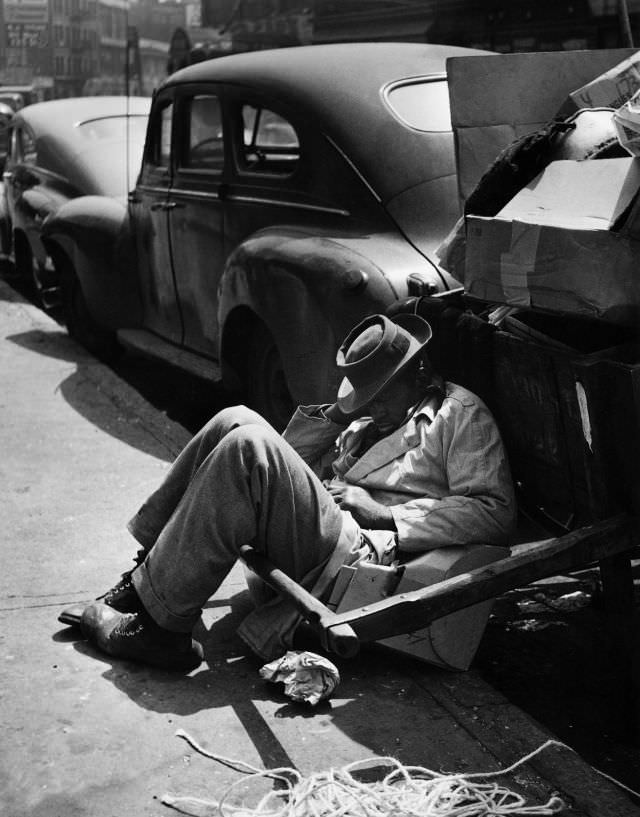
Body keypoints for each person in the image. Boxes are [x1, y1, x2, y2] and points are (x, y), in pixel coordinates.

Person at [59, 313, 516, 671]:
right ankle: (143, 584)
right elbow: (289, 457)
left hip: (362, 548)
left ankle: (159, 629)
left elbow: (493, 511)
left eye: (380, 394)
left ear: (419, 371)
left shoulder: (461, 416)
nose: (371, 406)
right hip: (325, 525)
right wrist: (343, 413)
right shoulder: (369, 416)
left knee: (249, 445)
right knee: (235, 419)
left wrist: (386, 514)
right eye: (366, 395)